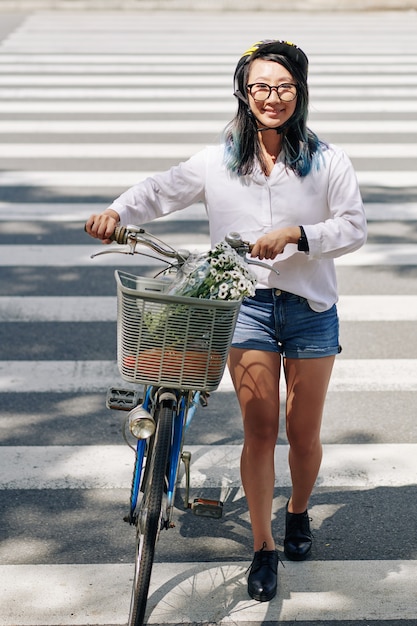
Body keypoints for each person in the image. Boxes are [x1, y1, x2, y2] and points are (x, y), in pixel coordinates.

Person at [85, 39, 367, 603]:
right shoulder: (219, 159)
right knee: (260, 430)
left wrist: (299, 235)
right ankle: (263, 547)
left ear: (300, 92)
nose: (272, 97)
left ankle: (298, 511)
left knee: (304, 435)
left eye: (284, 87)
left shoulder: (327, 160)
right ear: (244, 91)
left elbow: (354, 226)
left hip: (311, 309)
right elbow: (161, 190)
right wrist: (118, 211)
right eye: (261, 86)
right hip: (246, 310)